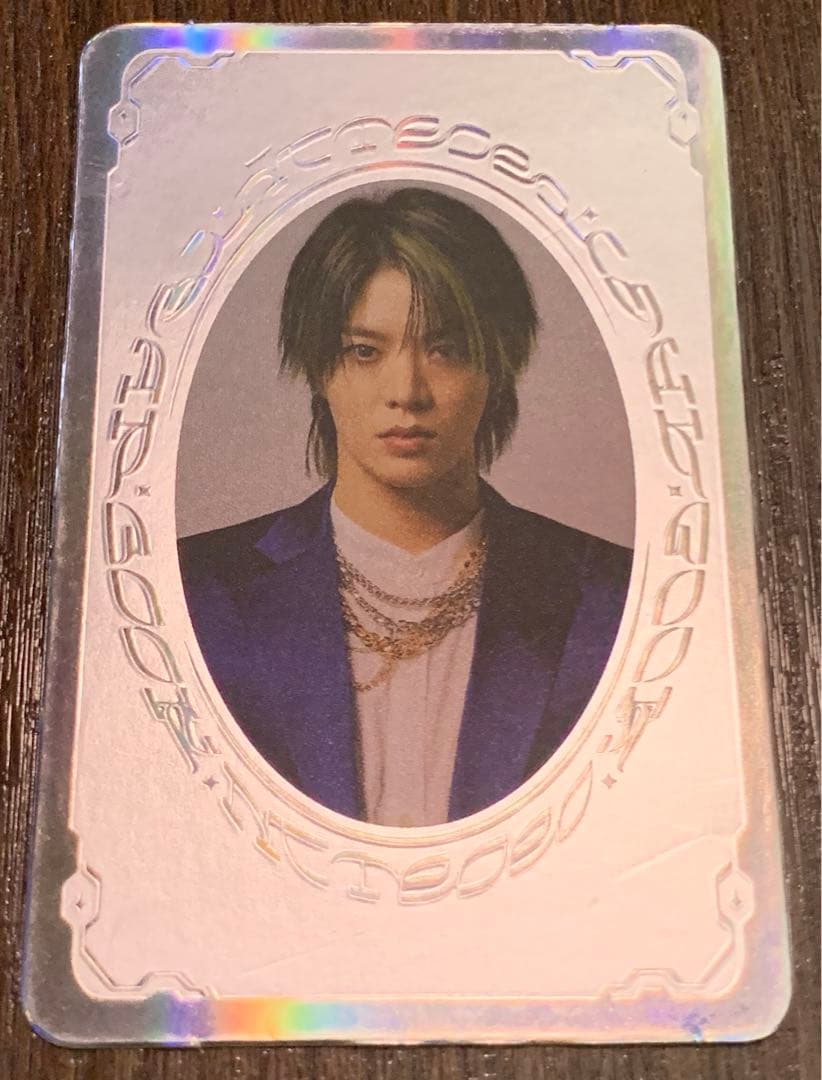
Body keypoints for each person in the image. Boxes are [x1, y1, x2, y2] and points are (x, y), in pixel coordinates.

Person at [178, 187, 632, 827]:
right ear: (318, 368)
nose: (407, 392)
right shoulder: (197, 592)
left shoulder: (609, 597)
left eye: (446, 349)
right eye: (364, 351)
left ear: (498, 365)